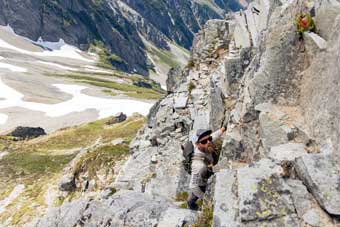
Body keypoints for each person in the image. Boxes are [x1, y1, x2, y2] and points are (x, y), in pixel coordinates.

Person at [187, 127, 226, 210]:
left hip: (207, 169)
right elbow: (193, 186)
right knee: (194, 196)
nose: (208, 142)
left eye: (209, 139)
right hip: (202, 179)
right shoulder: (198, 165)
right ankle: (193, 207)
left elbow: (213, 136)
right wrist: (206, 198)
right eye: (204, 141)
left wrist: (223, 129)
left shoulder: (206, 144)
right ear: (197, 144)